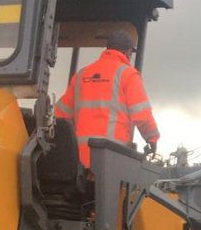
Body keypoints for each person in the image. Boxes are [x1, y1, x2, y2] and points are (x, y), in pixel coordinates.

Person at [54, 29, 160, 167]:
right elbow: (142, 115)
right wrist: (152, 138)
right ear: (127, 52)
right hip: (111, 159)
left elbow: (60, 114)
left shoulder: (81, 75)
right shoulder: (128, 75)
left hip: (78, 159)